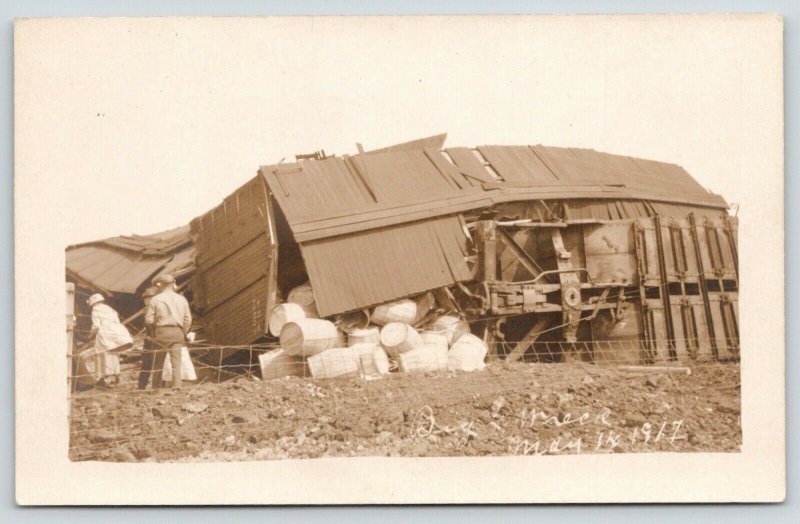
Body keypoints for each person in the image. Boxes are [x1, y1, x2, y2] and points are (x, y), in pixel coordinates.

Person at [144, 274, 192, 388]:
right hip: (177, 332)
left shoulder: (156, 299)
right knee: (176, 363)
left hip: (161, 332)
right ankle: (176, 387)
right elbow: (188, 320)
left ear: (161, 285)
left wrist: (152, 334)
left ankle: (156, 388)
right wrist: (183, 332)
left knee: (158, 363)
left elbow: (149, 320)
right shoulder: (182, 299)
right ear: (173, 284)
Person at [84, 293, 133, 388]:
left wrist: (90, 335)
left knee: (103, 355)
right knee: (114, 354)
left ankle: (104, 380)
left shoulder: (95, 310)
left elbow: (96, 326)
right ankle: (115, 377)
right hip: (116, 333)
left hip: (104, 334)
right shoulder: (109, 309)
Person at [137, 286, 160, 389]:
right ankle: (143, 385)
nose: (146, 301)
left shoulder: (150, 310)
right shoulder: (149, 310)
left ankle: (144, 385)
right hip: (153, 338)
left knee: (149, 363)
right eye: (146, 299)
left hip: (153, 338)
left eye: (148, 298)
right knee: (149, 362)